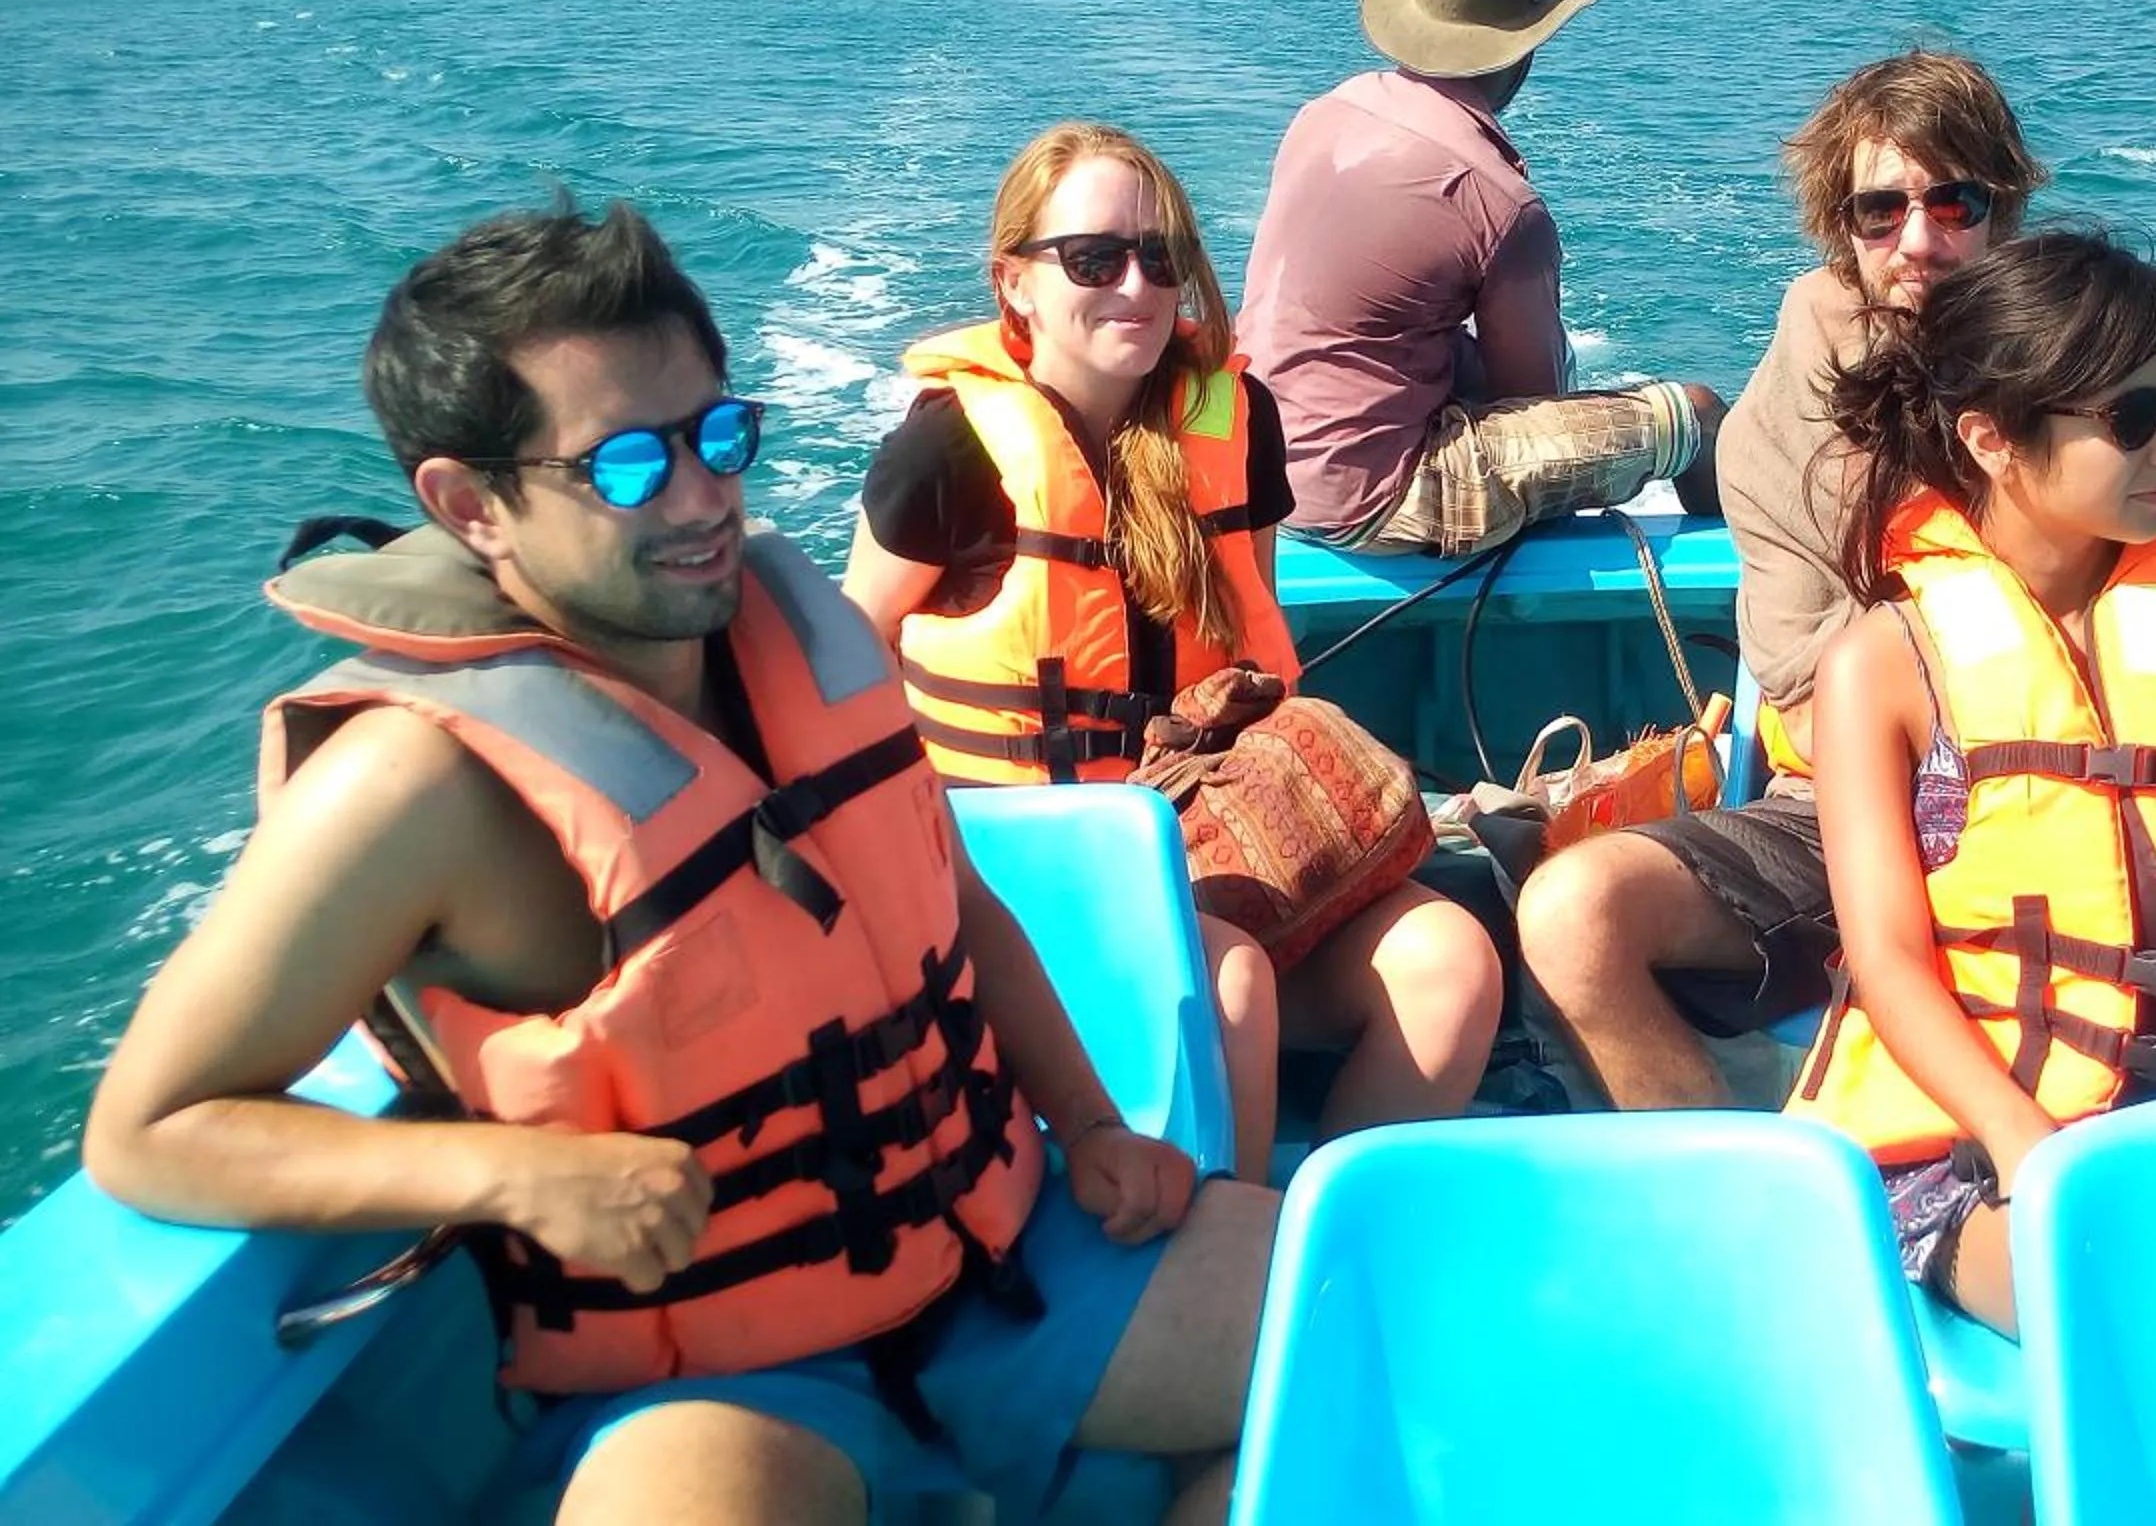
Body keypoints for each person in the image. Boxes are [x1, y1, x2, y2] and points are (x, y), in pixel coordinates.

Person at [80, 201, 1272, 1525]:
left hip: (1008, 1261)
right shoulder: (410, 785)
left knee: (1403, 1339)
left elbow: (956, 907)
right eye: (629, 468)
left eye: (719, 436)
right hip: (721, 1385)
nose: (706, 500)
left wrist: (1094, 1126)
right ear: (472, 503)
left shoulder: (798, 632)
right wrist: (505, 1175)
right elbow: (152, 1127)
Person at [1514, 49, 2156, 1110]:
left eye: (1956, 202)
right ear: (1839, 224)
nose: (1920, 240)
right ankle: (1759, 1200)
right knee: (1576, 912)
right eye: (1880, 210)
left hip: (2104, 778)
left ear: (2005, 208)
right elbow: (1811, 688)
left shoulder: (2089, 383)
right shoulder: (1780, 429)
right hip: (1857, 809)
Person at [844, 122, 1504, 1180]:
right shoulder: (947, 452)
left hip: (1215, 833)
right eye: (1096, 259)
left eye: (1164, 257)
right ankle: (1228, 1258)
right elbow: (848, 661)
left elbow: (1257, 633)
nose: (1138, 287)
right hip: (1027, 872)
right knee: (1228, 979)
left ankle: (1328, 1238)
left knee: (1450, 963)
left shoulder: (1236, 419)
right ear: (1015, 283)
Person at [1787, 231, 2156, 1333]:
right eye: (2133, 415)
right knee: (2131, 1304)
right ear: (1992, 439)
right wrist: (2026, 1146)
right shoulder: (1880, 663)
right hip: (1978, 1142)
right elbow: (1889, 962)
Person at [1237, 0, 1726, 557]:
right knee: (1695, 416)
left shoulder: (1324, 114)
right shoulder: (1500, 201)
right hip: (1365, 499)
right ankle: (1738, 607)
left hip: (1257, 463)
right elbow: (1537, 403)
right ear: (1524, 47)